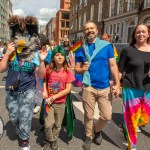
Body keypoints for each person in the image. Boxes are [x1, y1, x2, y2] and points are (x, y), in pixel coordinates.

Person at [0, 15, 47, 150]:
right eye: (20, 35)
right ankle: (19, 126)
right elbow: (2, 69)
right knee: (13, 115)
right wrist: (7, 54)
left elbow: (41, 74)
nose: (23, 38)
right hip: (11, 88)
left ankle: (24, 139)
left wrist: (42, 61)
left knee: (26, 115)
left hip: (28, 89)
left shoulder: (35, 54)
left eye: (26, 35)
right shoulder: (10, 50)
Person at [74, 20, 120, 150]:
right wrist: (82, 69)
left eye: (92, 28)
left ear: (97, 30)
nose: (90, 30)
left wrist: (117, 84)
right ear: (84, 32)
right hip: (88, 86)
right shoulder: (80, 49)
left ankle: (97, 130)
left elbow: (112, 65)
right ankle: (89, 136)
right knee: (88, 115)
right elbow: (76, 68)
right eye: (87, 29)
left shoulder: (107, 46)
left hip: (104, 86)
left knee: (107, 116)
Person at [118, 23, 150, 150]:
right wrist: (115, 84)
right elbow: (120, 69)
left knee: (144, 118)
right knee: (132, 119)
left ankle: (126, 125)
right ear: (134, 34)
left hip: (148, 88)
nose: (141, 34)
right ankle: (132, 147)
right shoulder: (128, 50)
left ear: (148, 34)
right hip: (131, 87)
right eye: (138, 32)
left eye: (143, 31)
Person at [42, 45, 75, 150]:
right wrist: (44, 91)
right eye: (57, 55)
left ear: (65, 57)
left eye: (62, 55)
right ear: (53, 58)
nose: (60, 57)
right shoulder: (48, 69)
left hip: (61, 103)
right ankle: (50, 140)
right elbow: (44, 80)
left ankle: (54, 140)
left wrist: (54, 97)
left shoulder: (68, 71)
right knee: (48, 124)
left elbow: (68, 89)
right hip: (49, 102)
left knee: (57, 124)